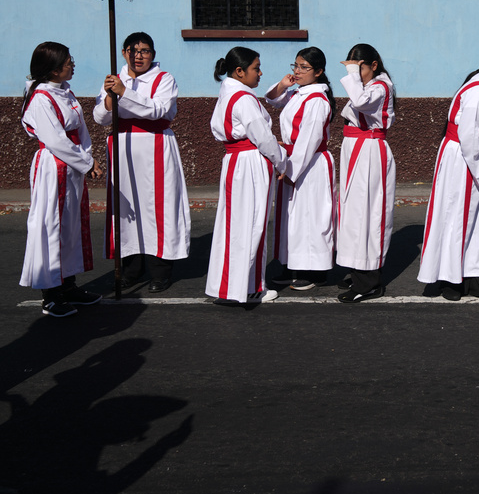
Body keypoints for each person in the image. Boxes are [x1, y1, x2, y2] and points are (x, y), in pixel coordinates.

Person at [418, 44, 479, 301]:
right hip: (462, 159)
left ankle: (476, 276)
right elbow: (468, 137)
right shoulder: (478, 92)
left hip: (478, 160)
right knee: (457, 216)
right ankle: (451, 279)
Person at [93, 32, 191, 294]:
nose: (139, 56)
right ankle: (130, 270)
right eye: (133, 51)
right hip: (122, 148)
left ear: (153, 55)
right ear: (124, 53)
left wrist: (125, 93)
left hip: (154, 145)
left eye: (145, 51)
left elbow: (157, 110)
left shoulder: (163, 79)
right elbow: (100, 117)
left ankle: (160, 271)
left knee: (157, 208)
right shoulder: (114, 79)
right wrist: (110, 97)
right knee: (126, 211)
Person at [20, 42, 103, 317]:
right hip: (53, 167)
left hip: (72, 168)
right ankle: (51, 294)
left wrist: (87, 158)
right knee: (50, 226)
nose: (73, 64)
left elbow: (80, 130)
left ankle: (68, 284)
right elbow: (56, 140)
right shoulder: (41, 98)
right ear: (54, 69)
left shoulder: (66, 92)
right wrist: (86, 162)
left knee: (70, 226)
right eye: (68, 61)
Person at [205, 47, 287, 304]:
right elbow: (263, 137)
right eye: (256, 68)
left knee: (234, 225)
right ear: (239, 71)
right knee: (253, 224)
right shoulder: (243, 98)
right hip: (251, 162)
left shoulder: (227, 93)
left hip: (234, 160)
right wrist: (281, 161)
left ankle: (229, 285)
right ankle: (250, 287)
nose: (260, 73)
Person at [265, 47, 336, 292]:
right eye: (295, 65)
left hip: (311, 163)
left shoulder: (317, 100)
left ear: (318, 72)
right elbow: (272, 99)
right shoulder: (299, 94)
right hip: (294, 159)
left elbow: (309, 139)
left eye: (304, 67)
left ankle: (315, 271)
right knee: (292, 216)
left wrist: (291, 169)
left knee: (311, 216)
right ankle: (291, 264)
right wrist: (284, 85)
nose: (297, 71)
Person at [334, 43, 396, 303]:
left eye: (359, 67)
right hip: (355, 148)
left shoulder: (382, 87)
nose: (355, 74)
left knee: (367, 214)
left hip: (369, 150)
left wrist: (352, 75)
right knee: (352, 212)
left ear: (373, 65)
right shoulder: (369, 86)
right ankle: (357, 268)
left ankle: (369, 280)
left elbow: (359, 102)